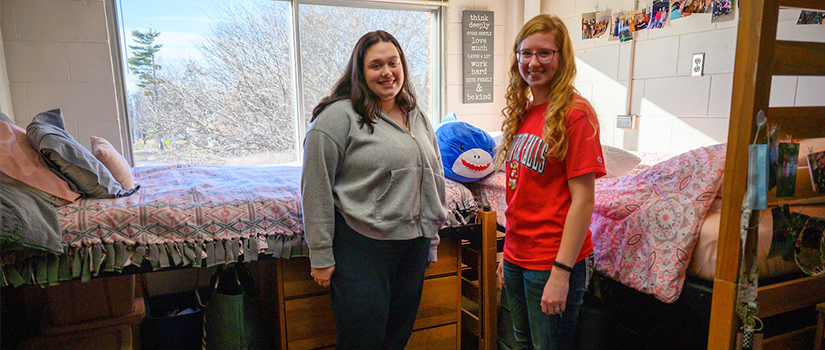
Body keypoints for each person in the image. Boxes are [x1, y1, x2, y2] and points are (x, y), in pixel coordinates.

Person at [300, 30, 449, 350]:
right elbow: (315, 186)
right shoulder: (337, 117)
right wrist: (321, 254)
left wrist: (432, 238)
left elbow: (434, 175)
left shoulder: (416, 114)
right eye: (376, 65)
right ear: (360, 71)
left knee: (396, 339)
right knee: (362, 342)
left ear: (403, 67)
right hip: (363, 246)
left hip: (414, 246)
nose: (387, 72)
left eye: (393, 63)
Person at [495, 14, 606, 350]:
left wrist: (561, 272)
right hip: (517, 256)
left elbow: (584, 200)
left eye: (544, 53)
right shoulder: (524, 112)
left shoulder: (576, 114)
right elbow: (520, 192)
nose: (533, 62)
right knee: (521, 343)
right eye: (525, 53)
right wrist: (506, 252)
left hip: (551, 261)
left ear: (562, 58)